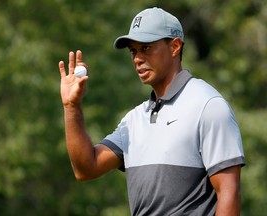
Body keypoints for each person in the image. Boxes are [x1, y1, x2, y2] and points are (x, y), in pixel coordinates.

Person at [58, 7, 245, 216]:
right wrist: (71, 107)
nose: (137, 58)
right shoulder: (133, 120)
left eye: (146, 48)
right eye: (133, 51)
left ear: (174, 47)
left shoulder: (208, 106)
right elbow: (86, 168)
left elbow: (229, 194)